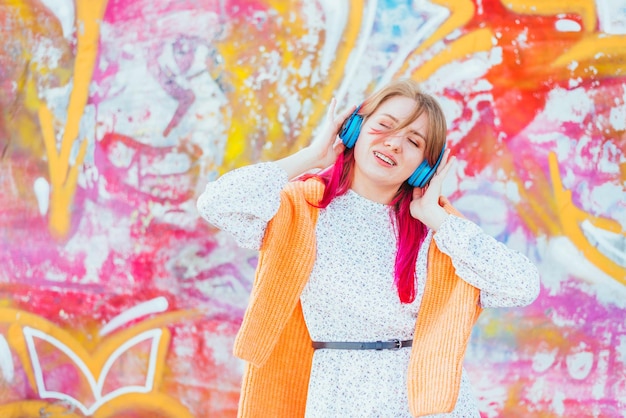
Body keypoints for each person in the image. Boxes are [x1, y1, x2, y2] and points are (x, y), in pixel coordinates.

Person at [196, 78, 540, 417]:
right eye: (385, 126)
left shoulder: (437, 229)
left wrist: (438, 219)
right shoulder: (301, 208)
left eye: (413, 141)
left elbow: (521, 285)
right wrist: (310, 156)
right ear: (353, 130)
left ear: (425, 166)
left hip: (426, 404)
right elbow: (217, 203)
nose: (393, 144)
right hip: (338, 396)